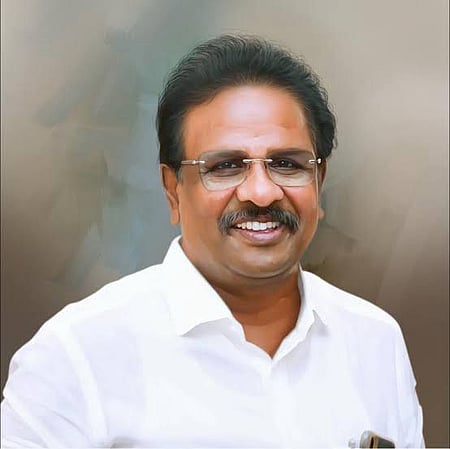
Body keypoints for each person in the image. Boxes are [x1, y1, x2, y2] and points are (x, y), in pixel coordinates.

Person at [1, 34, 423, 448]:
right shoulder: (75, 357)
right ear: (173, 190)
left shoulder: (374, 342)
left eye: (286, 163)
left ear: (319, 180)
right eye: (225, 166)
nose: (262, 193)